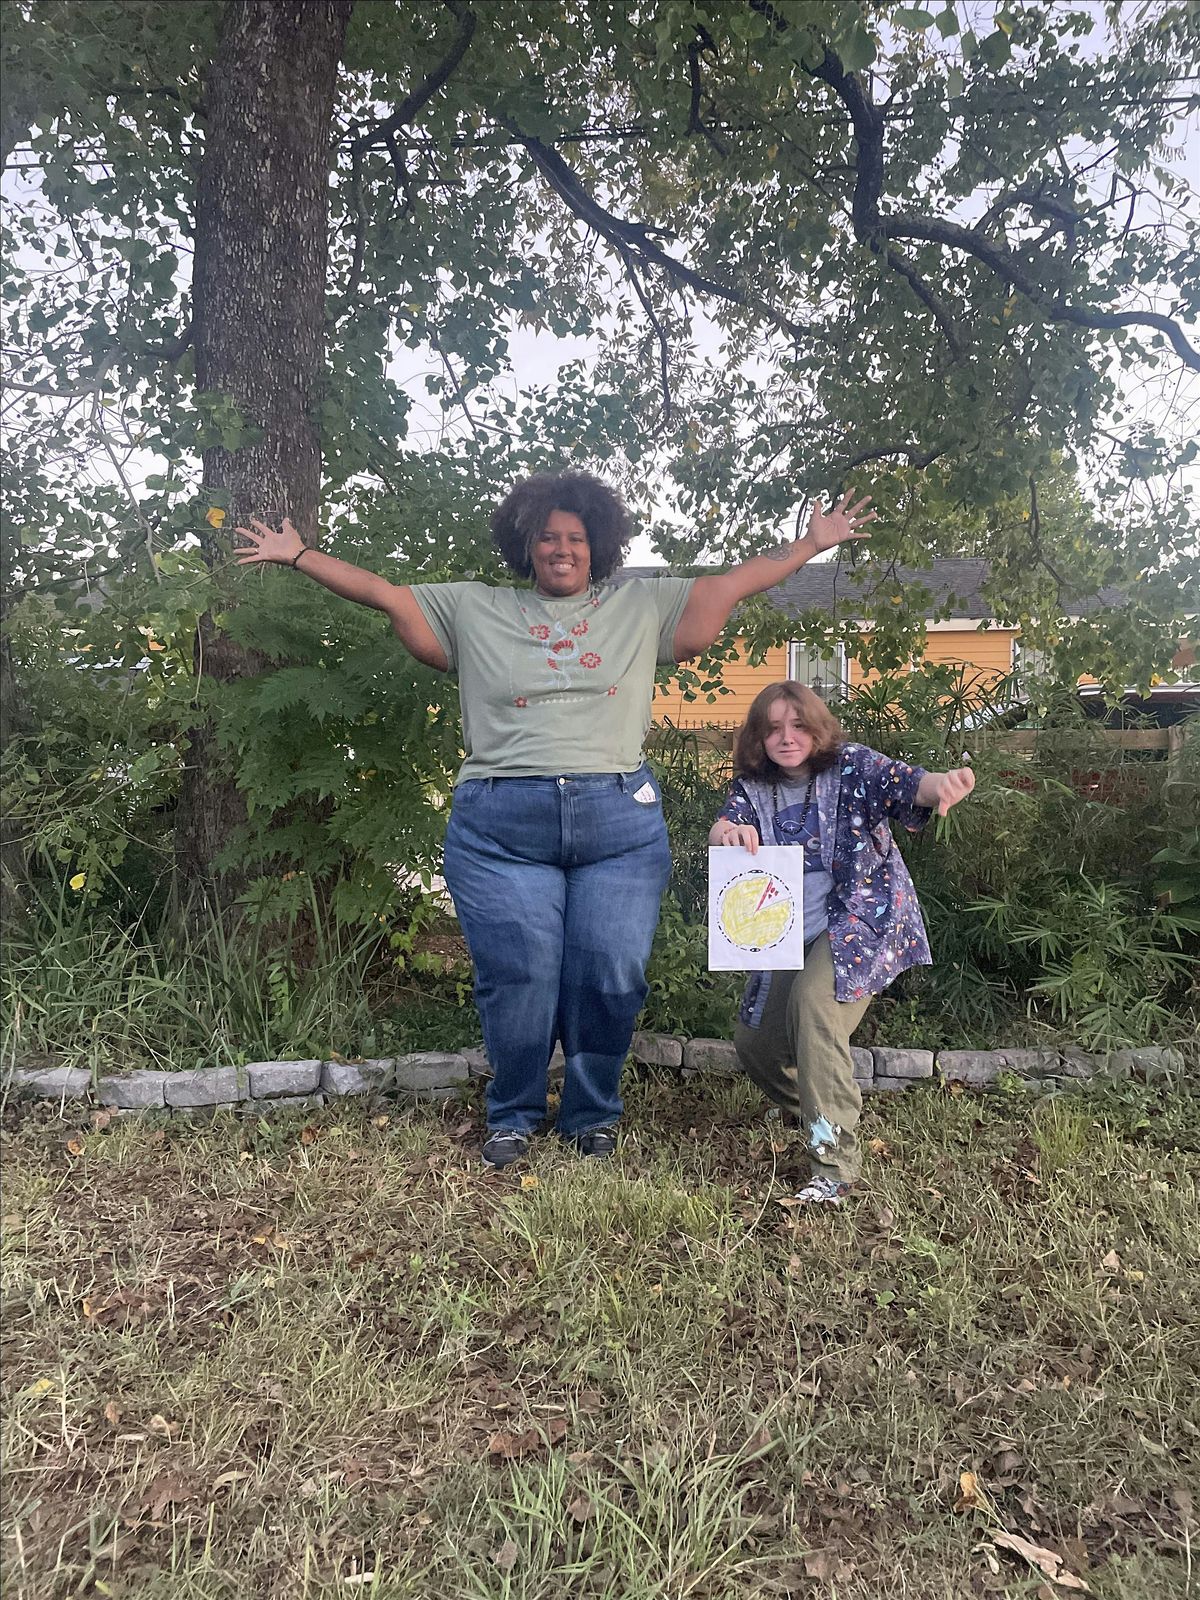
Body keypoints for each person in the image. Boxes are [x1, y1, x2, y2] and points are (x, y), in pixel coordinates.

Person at [236, 472, 876, 1167]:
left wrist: (809, 545)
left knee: (610, 973)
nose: (561, 548)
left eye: (575, 537)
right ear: (526, 544)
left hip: (618, 826)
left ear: (596, 544)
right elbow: (382, 593)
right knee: (520, 975)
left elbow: (730, 585)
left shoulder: (637, 603)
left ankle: (591, 1114)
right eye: (547, 536)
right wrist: (300, 554)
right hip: (501, 827)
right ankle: (513, 1112)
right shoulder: (475, 608)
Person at [709, 681, 976, 1205]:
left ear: (817, 726)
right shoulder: (752, 786)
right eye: (774, 728)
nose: (787, 737)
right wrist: (726, 834)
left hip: (856, 924)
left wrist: (942, 784)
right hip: (781, 931)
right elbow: (725, 825)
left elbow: (910, 784)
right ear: (759, 738)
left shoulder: (853, 765)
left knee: (815, 1010)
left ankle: (833, 1165)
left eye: (798, 724)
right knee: (755, 1043)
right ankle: (817, 1107)